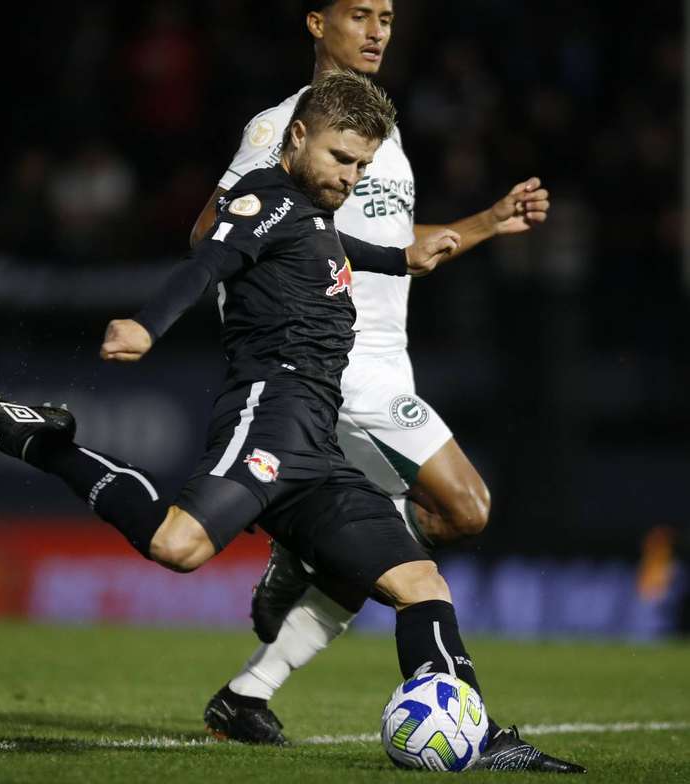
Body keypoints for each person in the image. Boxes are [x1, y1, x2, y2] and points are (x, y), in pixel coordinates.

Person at [0, 73, 568, 774]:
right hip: (269, 415)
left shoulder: (309, 213)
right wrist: (148, 327)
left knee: (420, 583)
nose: (350, 176)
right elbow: (208, 259)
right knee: (178, 548)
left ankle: (478, 737)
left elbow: (327, 244)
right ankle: (46, 442)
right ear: (298, 136)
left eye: (362, 165)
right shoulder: (263, 198)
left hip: (319, 443)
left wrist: (402, 257)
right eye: (340, 157)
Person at [192, 2, 578, 773]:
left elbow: (394, 248)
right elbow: (211, 233)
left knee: (388, 545)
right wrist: (279, 314)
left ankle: (251, 690)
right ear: (313, 22)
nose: (377, 31)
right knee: (465, 505)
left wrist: (486, 221)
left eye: (389, 17)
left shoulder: (381, 129)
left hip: (387, 359)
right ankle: (468, 719)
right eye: (359, 14)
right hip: (340, 365)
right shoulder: (281, 129)